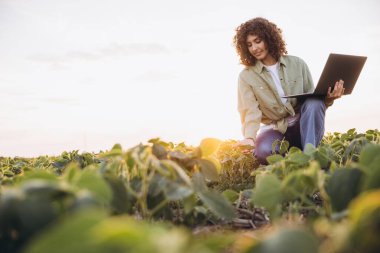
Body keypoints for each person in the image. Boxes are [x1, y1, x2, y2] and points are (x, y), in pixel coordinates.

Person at [233, 17, 344, 164]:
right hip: (275, 130)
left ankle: (310, 158)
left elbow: (313, 102)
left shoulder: (298, 64)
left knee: (314, 103)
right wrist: (249, 137)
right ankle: (295, 156)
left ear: (269, 39)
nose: (254, 48)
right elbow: (250, 112)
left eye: (258, 41)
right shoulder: (246, 77)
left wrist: (329, 99)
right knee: (265, 151)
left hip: (301, 126)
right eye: (249, 44)